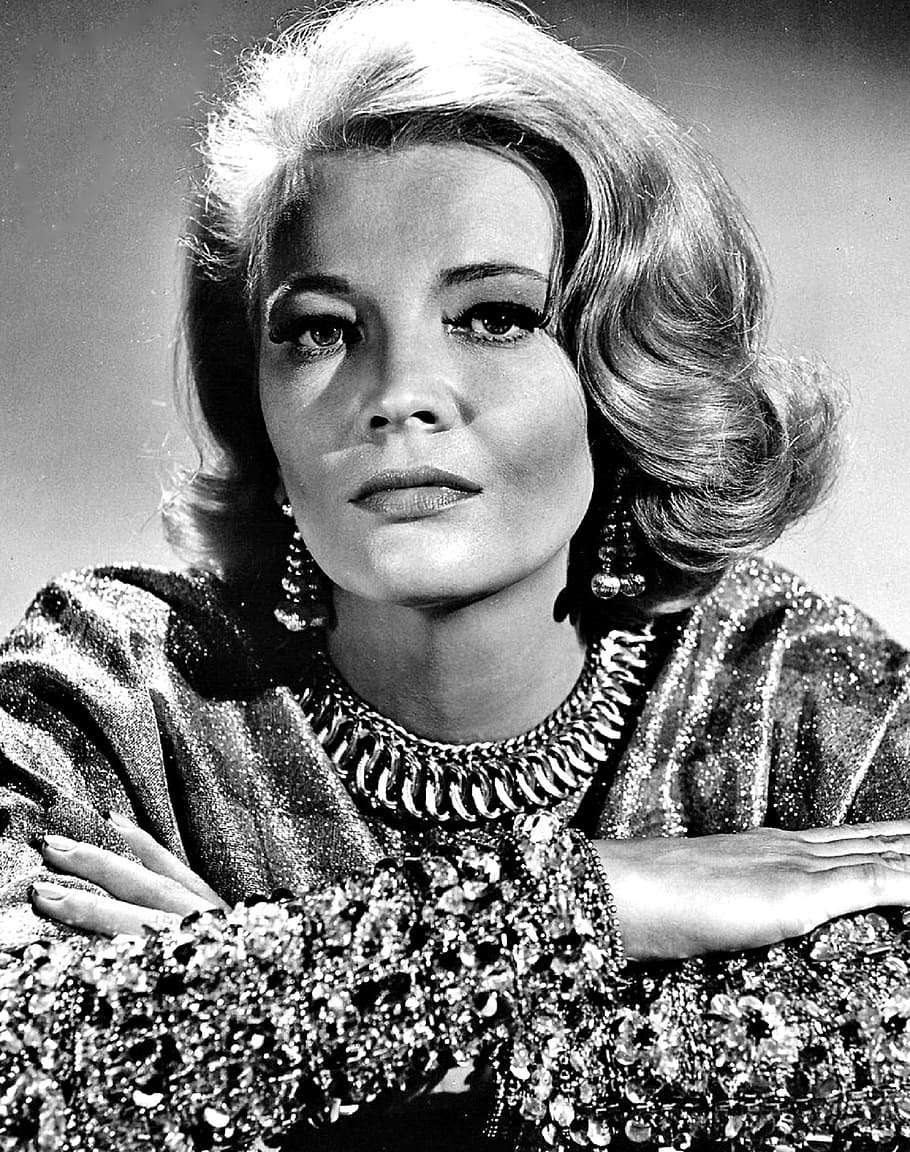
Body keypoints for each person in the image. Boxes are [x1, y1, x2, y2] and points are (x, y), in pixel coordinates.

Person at [2, 0, 910, 1149]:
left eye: (491, 317)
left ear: (626, 373)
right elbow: (18, 1072)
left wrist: (257, 1014)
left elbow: (883, 1078)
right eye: (321, 330)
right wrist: (590, 899)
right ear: (256, 405)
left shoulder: (802, 695)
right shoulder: (121, 686)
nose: (398, 396)